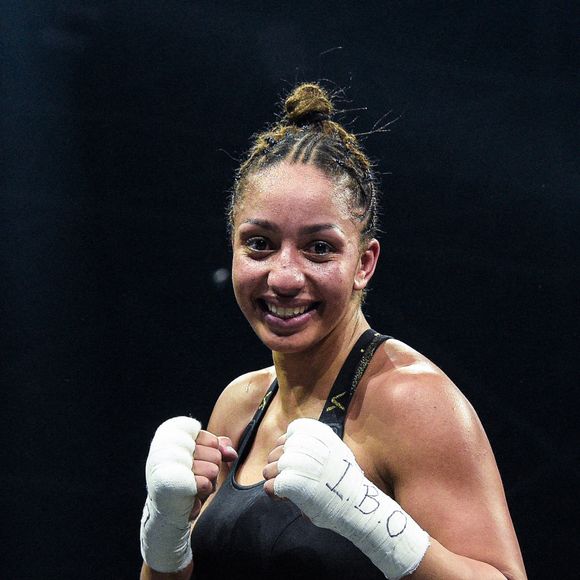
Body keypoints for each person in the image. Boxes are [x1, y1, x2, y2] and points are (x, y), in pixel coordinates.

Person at [139, 83, 527, 579]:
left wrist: (373, 520)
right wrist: (163, 532)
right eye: (259, 244)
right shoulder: (239, 404)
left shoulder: (414, 401)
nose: (283, 276)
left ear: (363, 263)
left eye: (319, 248)